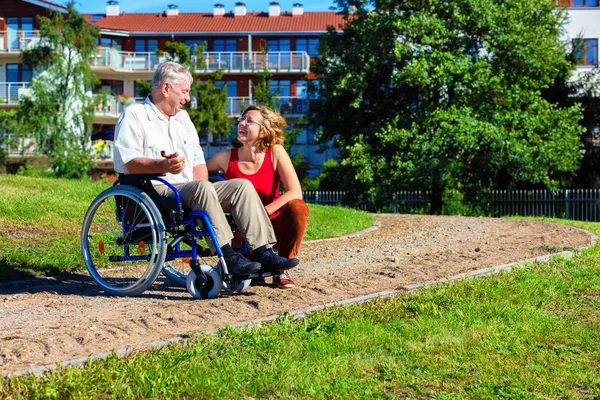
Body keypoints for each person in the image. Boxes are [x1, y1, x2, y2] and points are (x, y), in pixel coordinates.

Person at [112, 61, 299, 278]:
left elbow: (198, 162)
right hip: (156, 190)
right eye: (184, 91)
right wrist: (162, 165)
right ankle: (229, 257)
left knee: (241, 186)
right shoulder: (135, 115)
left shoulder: (183, 119)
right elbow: (128, 161)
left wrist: (199, 183)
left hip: (190, 189)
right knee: (202, 188)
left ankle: (263, 252)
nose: (188, 98)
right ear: (165, 89)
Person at [207, 105, 309, 288]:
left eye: (249, 121)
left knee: (298, 207)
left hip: (273, 221)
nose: (242, 123)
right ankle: (252, 264)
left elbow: (295, 191)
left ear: (263, 132)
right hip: (241, 227)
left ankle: (281, 268)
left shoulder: (275, 152)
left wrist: (262, 212)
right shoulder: (225, 158)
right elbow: (198, 176)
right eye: (241, 119)